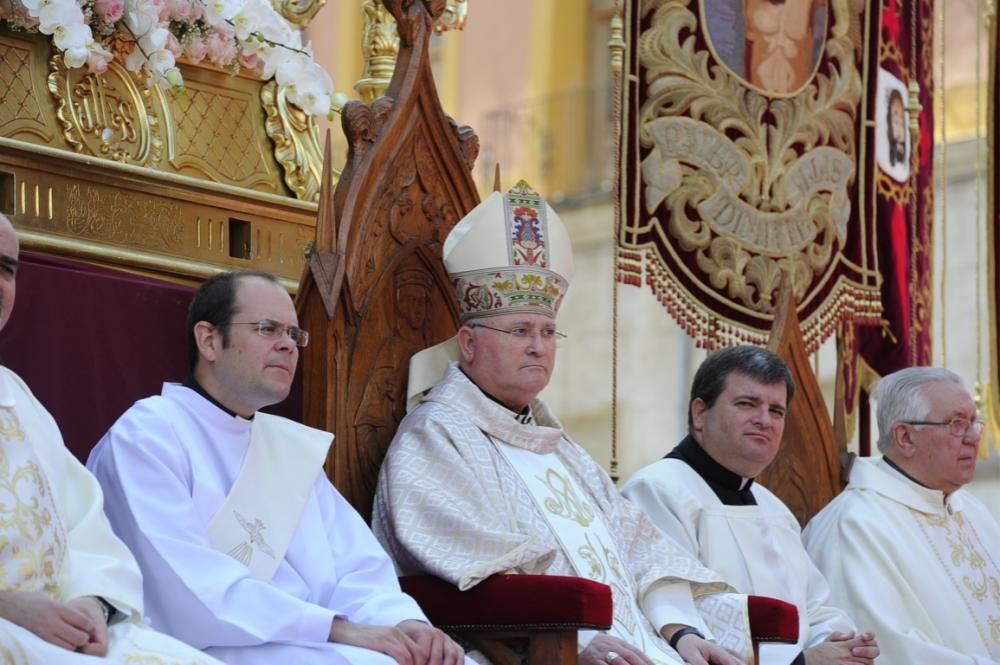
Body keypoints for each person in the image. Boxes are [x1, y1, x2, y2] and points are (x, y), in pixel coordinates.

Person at [375, 181, 757, 665]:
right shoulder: (436, 438)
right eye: (519, 331)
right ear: (467, 343)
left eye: (549, 332)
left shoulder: (558, 447)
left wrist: (681, 632)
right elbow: (468, 575)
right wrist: (573, 647)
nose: (539, 346)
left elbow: (639, 546)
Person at [88, 269, 470, 665]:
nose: (288, 345)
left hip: (316, 640)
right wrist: (336, 628)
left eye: (294, 334)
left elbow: (356, 568)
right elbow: (182, 585)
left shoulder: (288, 449)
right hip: (207, 647)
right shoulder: (148, 435)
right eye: (268, 329)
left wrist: (407, 625)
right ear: (209, 340)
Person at [0, 212, 221, 663]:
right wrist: (9, 608)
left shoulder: (16, 398)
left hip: (58, 627)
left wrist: (91, 601)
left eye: (6, 269)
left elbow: (84, 528)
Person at [622, 346, 879, 665]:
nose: (764, 421)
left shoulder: (775, 509)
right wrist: (802, 662)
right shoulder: (658, 491)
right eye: (747, 404)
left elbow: (813, 608)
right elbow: (674, 612)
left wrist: (840, 644)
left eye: (776, 411)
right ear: (700, 413)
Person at [804, 366, 1000, 663]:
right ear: (905, 437)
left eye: (974, 422)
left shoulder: (971, 509)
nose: (973, 437)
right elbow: (886, 649)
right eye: (957, 424)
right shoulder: (854, 526)